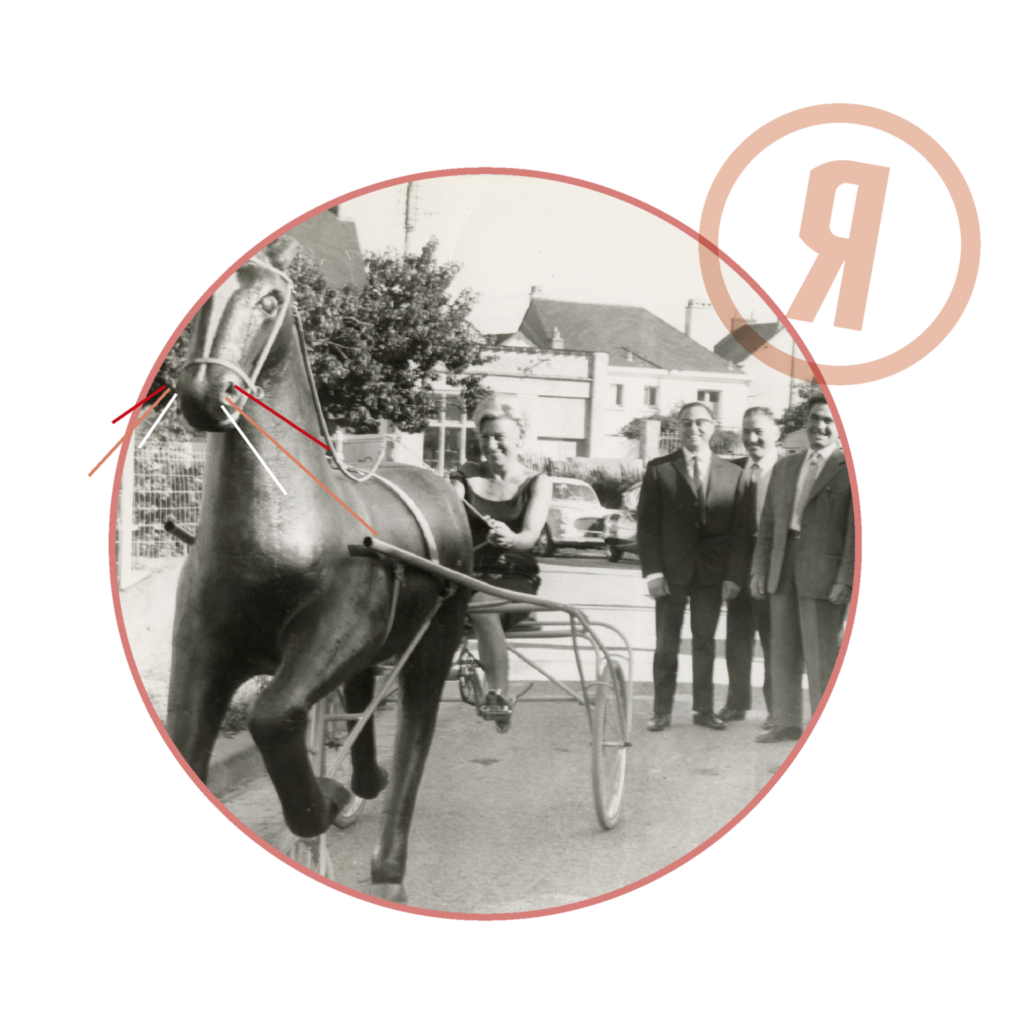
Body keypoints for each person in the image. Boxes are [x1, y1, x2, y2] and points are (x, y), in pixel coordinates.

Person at [751, 396, 855, 743]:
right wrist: (759, 569)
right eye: (814, 419)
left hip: (824, 576)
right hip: (783, 567)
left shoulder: (846, 469)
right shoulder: (785, 467)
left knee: (822, 655)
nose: (820, 426)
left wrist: (846, 578)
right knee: (782, 649)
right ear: (805, 423)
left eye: (829, 421)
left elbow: (856, 535)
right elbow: (768, 524)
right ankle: (786, 721)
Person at [636, 401, 744, 732]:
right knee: (666, 643)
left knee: (705, 642)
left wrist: (733, 576)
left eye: (700, 423)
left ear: (713, 427)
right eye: (686, 423)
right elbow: (647, 526)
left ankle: (703, 710)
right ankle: (662, 711)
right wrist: (653, 573)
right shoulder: (659, 468)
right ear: (678, 429)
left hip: (711, 575)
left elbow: (739, 532)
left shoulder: (734, 473)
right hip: (670, 574)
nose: (693, 429)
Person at [451, 395, 552, 733]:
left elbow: (530, 537)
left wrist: (510, 538)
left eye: (499, 438)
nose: (490, 445)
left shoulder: (537, 482)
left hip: (514, 578)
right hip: (466, 575)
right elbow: (444, 516)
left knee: (480, 602)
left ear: (519, 440)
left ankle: (499, 693)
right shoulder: (464, 477)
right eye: (484, 438)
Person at [718, 408, 789, 727]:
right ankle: (737, 703)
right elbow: (730, 529)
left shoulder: (789, 470)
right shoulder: (732, 471)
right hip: (738, 570)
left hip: (776, 569)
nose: (752, 438)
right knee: (737, 639)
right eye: (746, 431)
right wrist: (730, 574)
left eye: (759, 431)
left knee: (775, 641)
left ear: (776, 432)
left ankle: (777, 710)